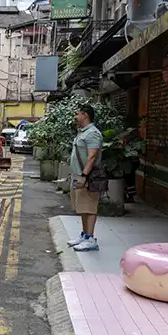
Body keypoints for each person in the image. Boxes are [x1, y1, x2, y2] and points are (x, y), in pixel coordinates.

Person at [67, 104, 103, 252]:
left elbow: (92, 156)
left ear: (85, 115)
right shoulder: (83, 132)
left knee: (89, 207)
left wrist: (84, 176)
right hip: (78, 176)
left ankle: (91, 239)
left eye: (77, 114)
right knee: (82, 207)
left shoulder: (93, 133)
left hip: (87, 177)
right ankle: (85, 235)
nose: (75, 117)